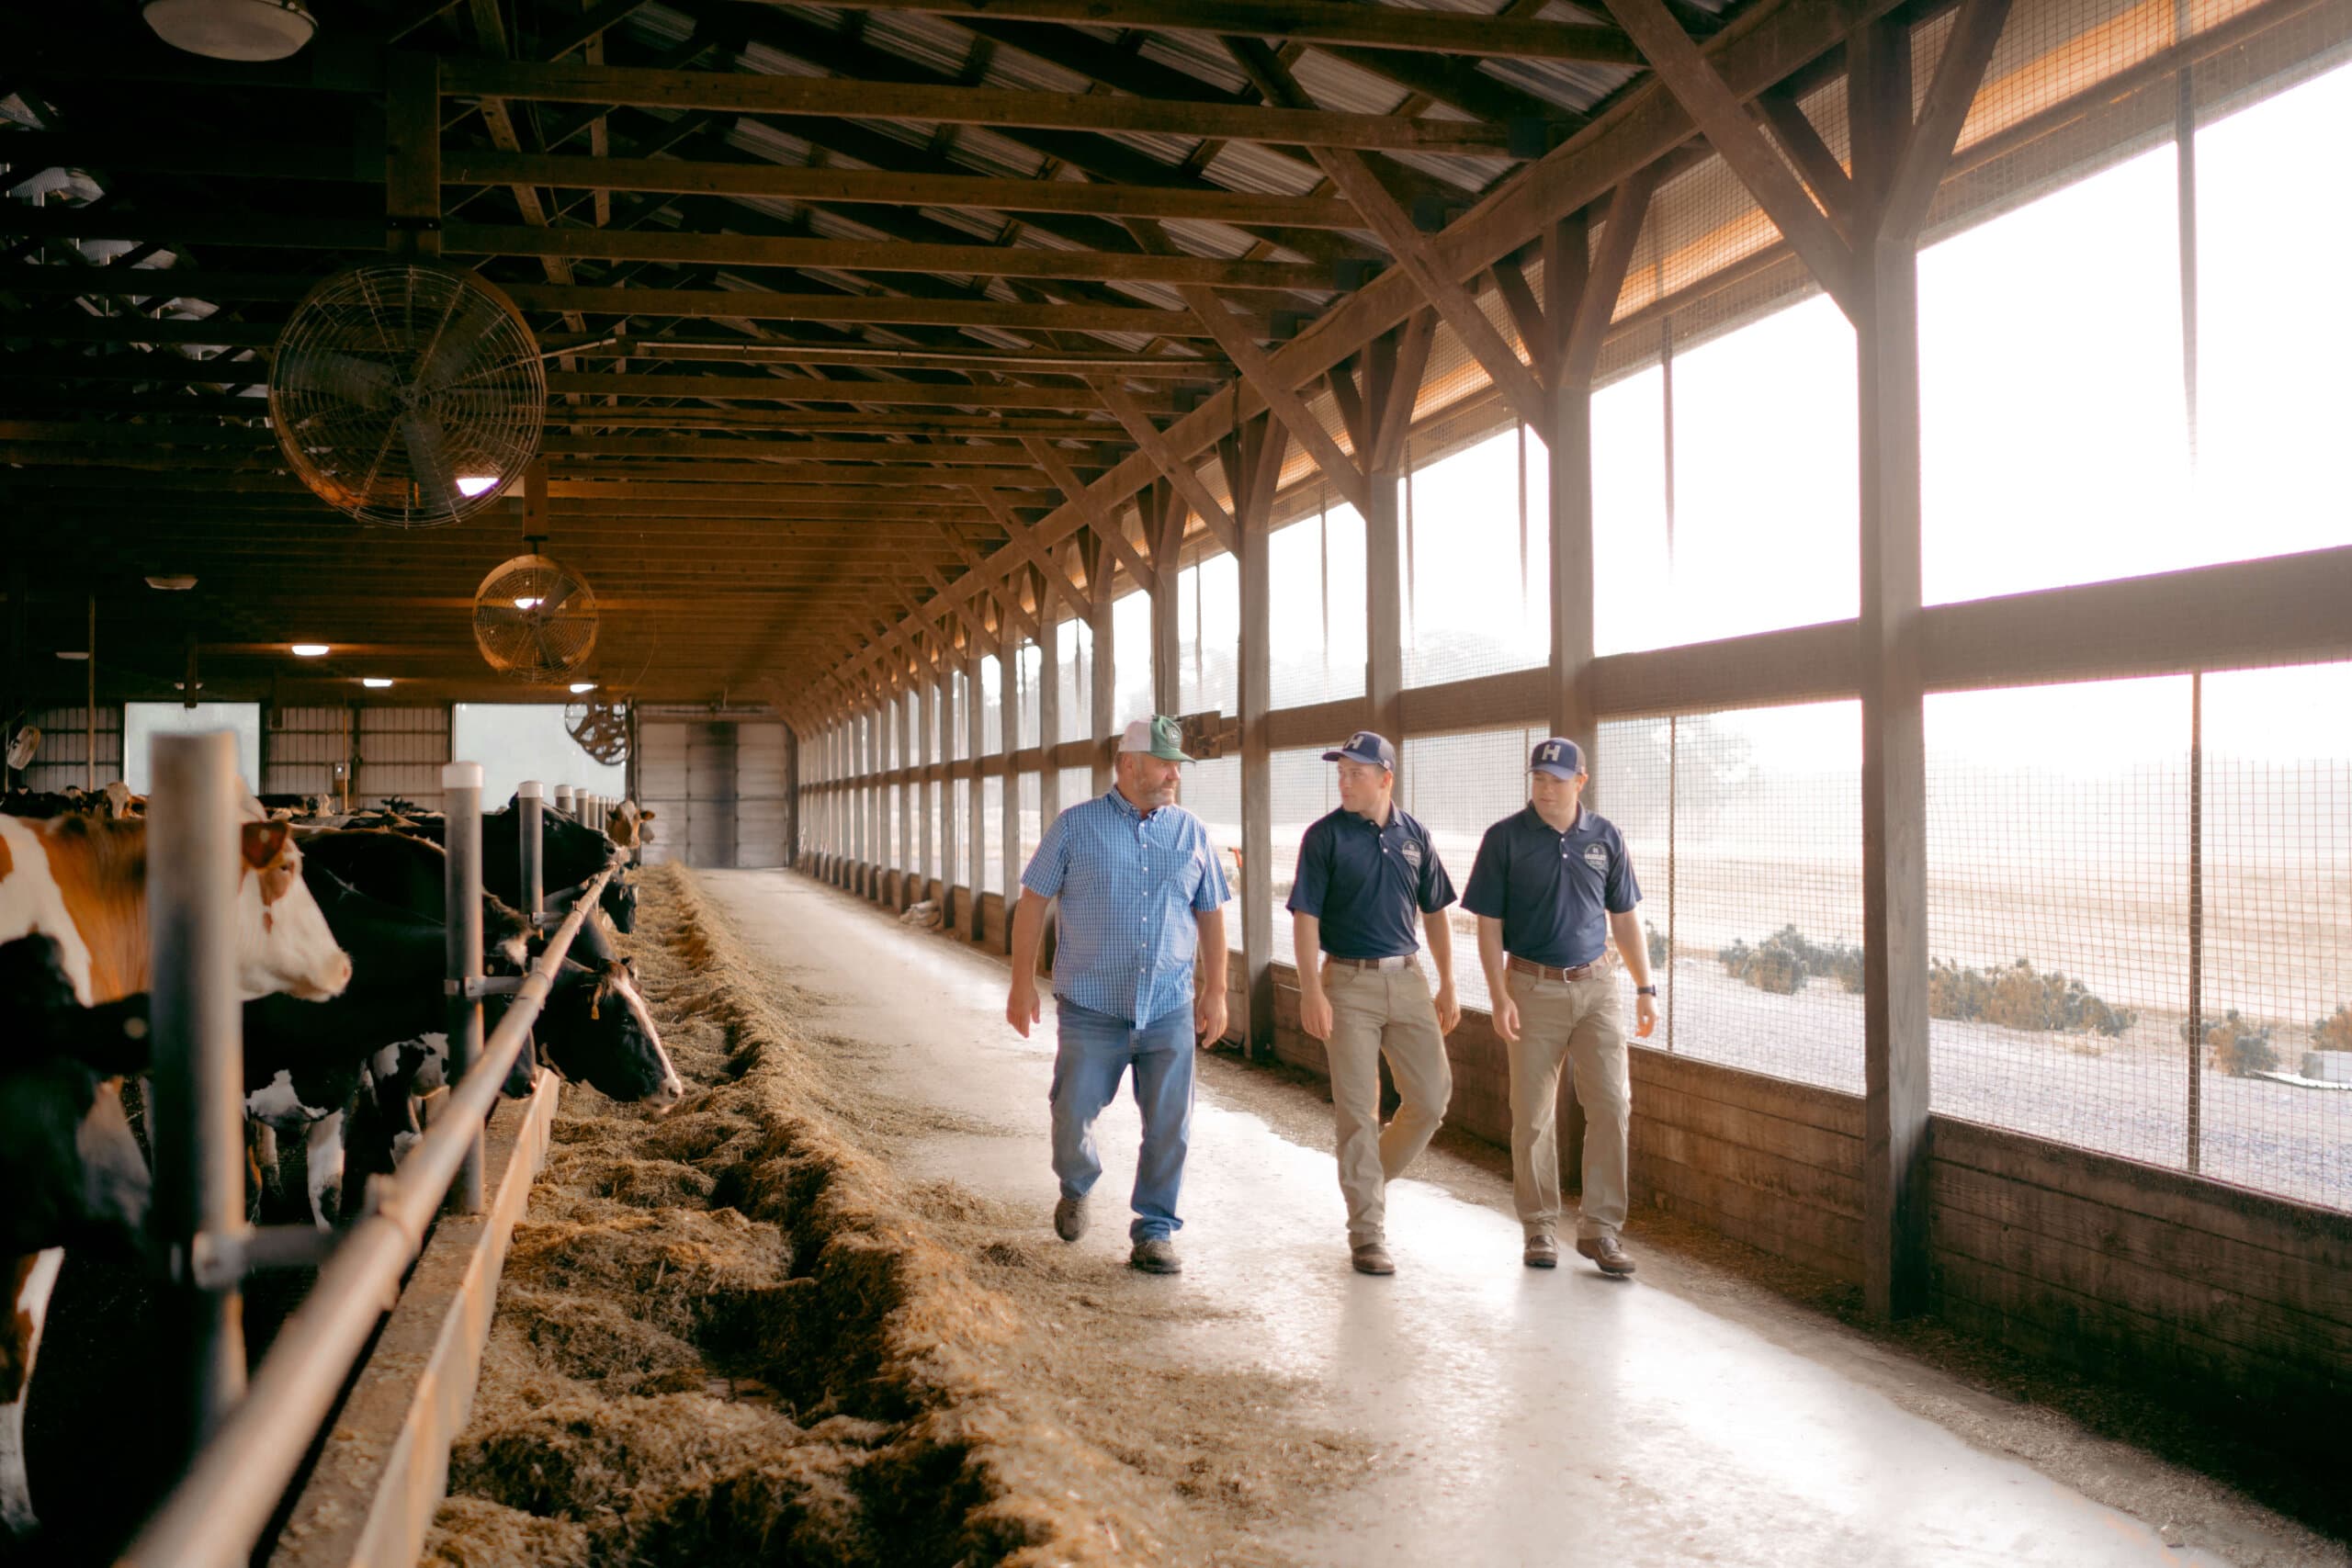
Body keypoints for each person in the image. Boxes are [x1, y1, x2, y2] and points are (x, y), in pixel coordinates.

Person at [1006, 715, 1231, 1274]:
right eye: (1164, 762)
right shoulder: (1075, 827)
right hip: (1091, 1009)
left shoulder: (1192, 833)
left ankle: (1154, 1231)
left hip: (1168, 1008)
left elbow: (1211, 913)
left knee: (1170, 1125)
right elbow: (1033, 901)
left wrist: (1217, 992)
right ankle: (1077, 1182)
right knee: (1071, 1111)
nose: (1175, 774)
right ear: (1128, 764)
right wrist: (1021, 983)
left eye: (1177, 764)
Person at [1462, 738, 1657, 1276]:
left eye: (1555, 779)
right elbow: (1488, 924)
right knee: (1532, 1115)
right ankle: (1540, 1228)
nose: (1545, 789)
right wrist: (1498, 995)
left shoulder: (1605, 836)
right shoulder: (1504, 839)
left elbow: (1624, 916)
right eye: (1538, 779)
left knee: (1612, 1104)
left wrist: (1645, 987)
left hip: (1599, 988)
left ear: (1581, 781)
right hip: (1531, 987)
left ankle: (1601, 1231)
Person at [1288, 731, 1462, 1276]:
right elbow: (1305, 918)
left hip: (1407, 979)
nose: (1343, 781)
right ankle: (1367, 1231)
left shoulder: (1416, 836)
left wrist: (1448, 981)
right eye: (1340, 772)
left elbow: (1434, 910)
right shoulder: (1324, 838)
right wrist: (1311, 989)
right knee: (1358, 1111)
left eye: (1355, 773)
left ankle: (1365, 1182)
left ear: (1386, 778)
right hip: (1347, 983)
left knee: (1431, 1100)